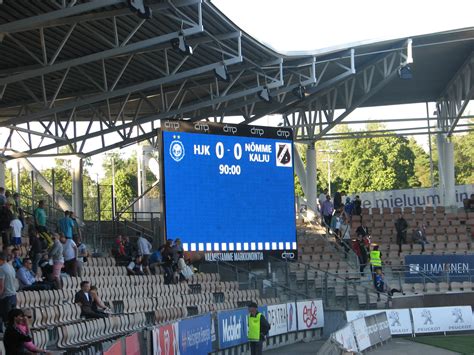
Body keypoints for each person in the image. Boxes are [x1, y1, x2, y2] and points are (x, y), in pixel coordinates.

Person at [0, 251, 17, 333]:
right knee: (12, 319)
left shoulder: (1, 269)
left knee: (7, 320)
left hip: (6, 297)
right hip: (13, 296)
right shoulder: (11, 267)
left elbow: (1, 286)